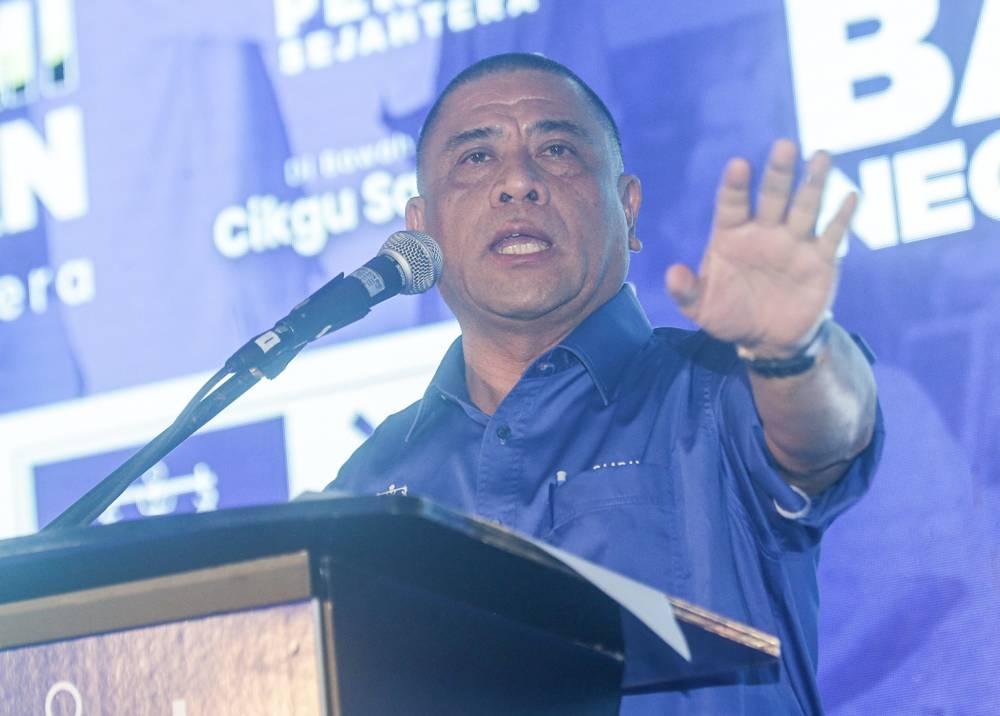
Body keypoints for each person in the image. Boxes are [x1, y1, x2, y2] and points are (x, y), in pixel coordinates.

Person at [329, 52, 882, 714]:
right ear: (421, 230)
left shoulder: (717, 389)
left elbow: (828, 435)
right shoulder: (374, 475)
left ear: (629, 208)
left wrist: (796, 349)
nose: (518, 183)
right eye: (476, 159)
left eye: (557, 150)